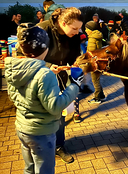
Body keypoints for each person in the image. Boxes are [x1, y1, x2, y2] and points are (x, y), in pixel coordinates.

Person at [5, 24, 82, 174]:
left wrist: (48, 71)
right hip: (42, 132)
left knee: (30, 168)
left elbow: (16, 95)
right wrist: (74, 85)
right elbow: (55, 106)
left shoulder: (14, 68)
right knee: (44, 170)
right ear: (45, 49)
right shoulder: (44, 75)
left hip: (23, 128)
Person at [38, 7, 83, 163]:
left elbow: (75, 54)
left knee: (59, 115)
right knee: (43, 116)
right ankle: (41, 147)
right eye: (74, 28)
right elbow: (27, 56)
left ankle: (59, 146)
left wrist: (77, 62)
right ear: (63, 23)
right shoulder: (42, 30)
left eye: (79, 28)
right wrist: (48, 65)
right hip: (42, 79)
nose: (77, 32)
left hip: (61, 79)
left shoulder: (74, 35)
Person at [85, 21, 106, 104]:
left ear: (90, 29)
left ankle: (97, 98)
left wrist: (87, 62)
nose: (85, 30)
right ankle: (102, 96)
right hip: (98, 61)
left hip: (94, 62)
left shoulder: (92, 38)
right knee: (97, 79)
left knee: (95, 80)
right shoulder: (97, 36)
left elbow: (91, 52)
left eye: (86, 29)